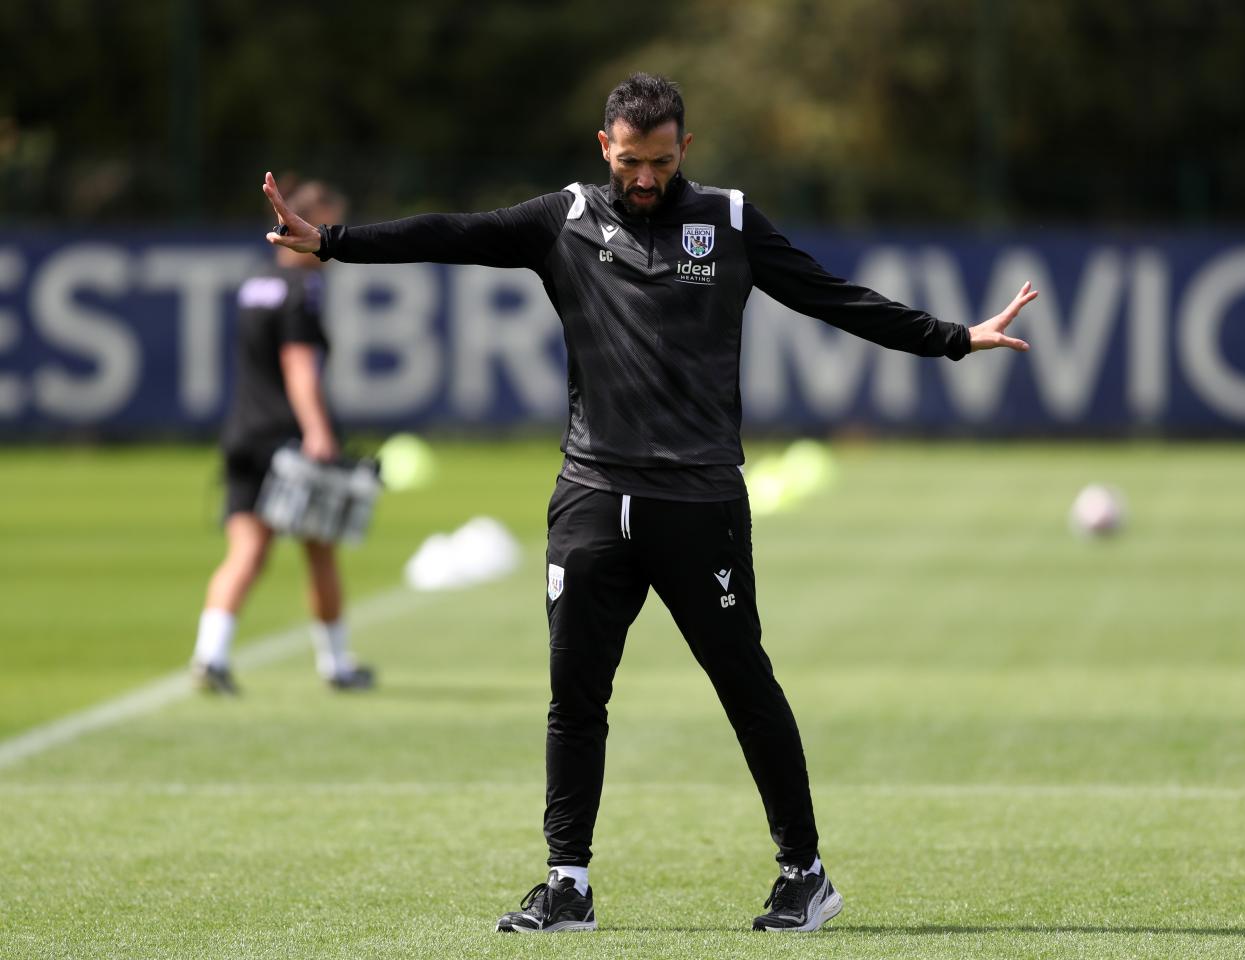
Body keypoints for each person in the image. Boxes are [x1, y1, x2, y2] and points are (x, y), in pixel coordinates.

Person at [262, 74, 1035, 933]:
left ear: (686, 149)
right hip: (591, 498)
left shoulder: (731, 221)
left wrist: (955, 339)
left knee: (743, 683)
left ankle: (804, 872)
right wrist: (330, 241)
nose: (644, 178)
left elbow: (834, 298)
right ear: (604, 148)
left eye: (661, 162)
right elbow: (454, 234)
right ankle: (567, 884)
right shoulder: (563, 219)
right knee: (574, 695)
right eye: (630, 161)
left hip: (699, 501)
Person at [191, 179, 374, 695]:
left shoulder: (255, 284)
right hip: (287, 440)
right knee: (320, 549)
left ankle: (211, 655)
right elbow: (298, 369)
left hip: (242, 432)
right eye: (328, 226)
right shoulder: (303, 290)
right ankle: (336, 664)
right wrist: (319, 433)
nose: (331, 242)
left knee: (245, 551)